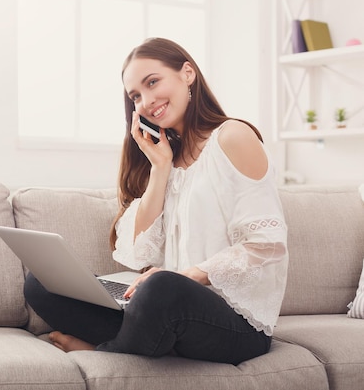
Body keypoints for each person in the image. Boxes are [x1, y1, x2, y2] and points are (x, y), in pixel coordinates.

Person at [24, 37, 289, 365]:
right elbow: (139, 253)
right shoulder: (168, 158)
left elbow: (267, 245)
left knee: (162, 287)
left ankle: (102, 355)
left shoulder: (233, 137)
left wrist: (185, 276)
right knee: (44, 281)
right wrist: (160, 168)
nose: (146, 101)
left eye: (153, 82)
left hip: (237, 326)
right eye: (135, 95)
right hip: (163, 309)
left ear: (187, 73)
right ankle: (142, 340)